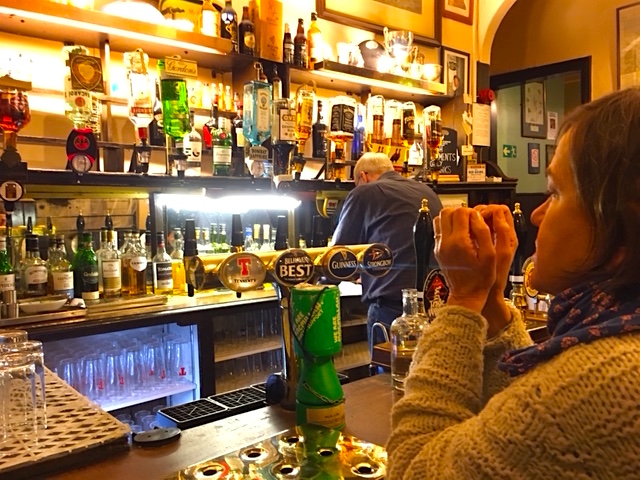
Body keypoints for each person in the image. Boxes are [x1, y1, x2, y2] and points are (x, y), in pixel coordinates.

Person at [387, 88, 640, 478]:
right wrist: (491, 299)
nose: (537, 215)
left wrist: (462, 299)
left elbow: (415, 468)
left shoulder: (597, 384)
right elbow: (520, 423)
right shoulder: (616, 334)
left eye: (554, 192)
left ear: (621, 230)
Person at [332, 153, 442, 352]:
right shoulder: (427, 191)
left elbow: (337, 259)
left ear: (363, 177)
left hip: (391, 310)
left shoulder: (365, 192)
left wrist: (315, 285)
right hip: (434, 305)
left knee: (387, 377)